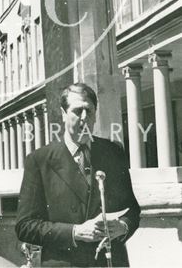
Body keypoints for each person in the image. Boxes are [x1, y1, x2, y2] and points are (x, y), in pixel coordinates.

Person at [15, 83, 140, 267]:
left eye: (89, 111)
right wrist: (75, 232)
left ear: (95, 114)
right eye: (77, 111)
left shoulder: (114, 152)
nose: (84, 118)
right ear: (63, 114)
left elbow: (132, 209)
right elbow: (25, 226)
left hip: (110, 262)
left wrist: (122, 226)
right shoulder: (39, 160)